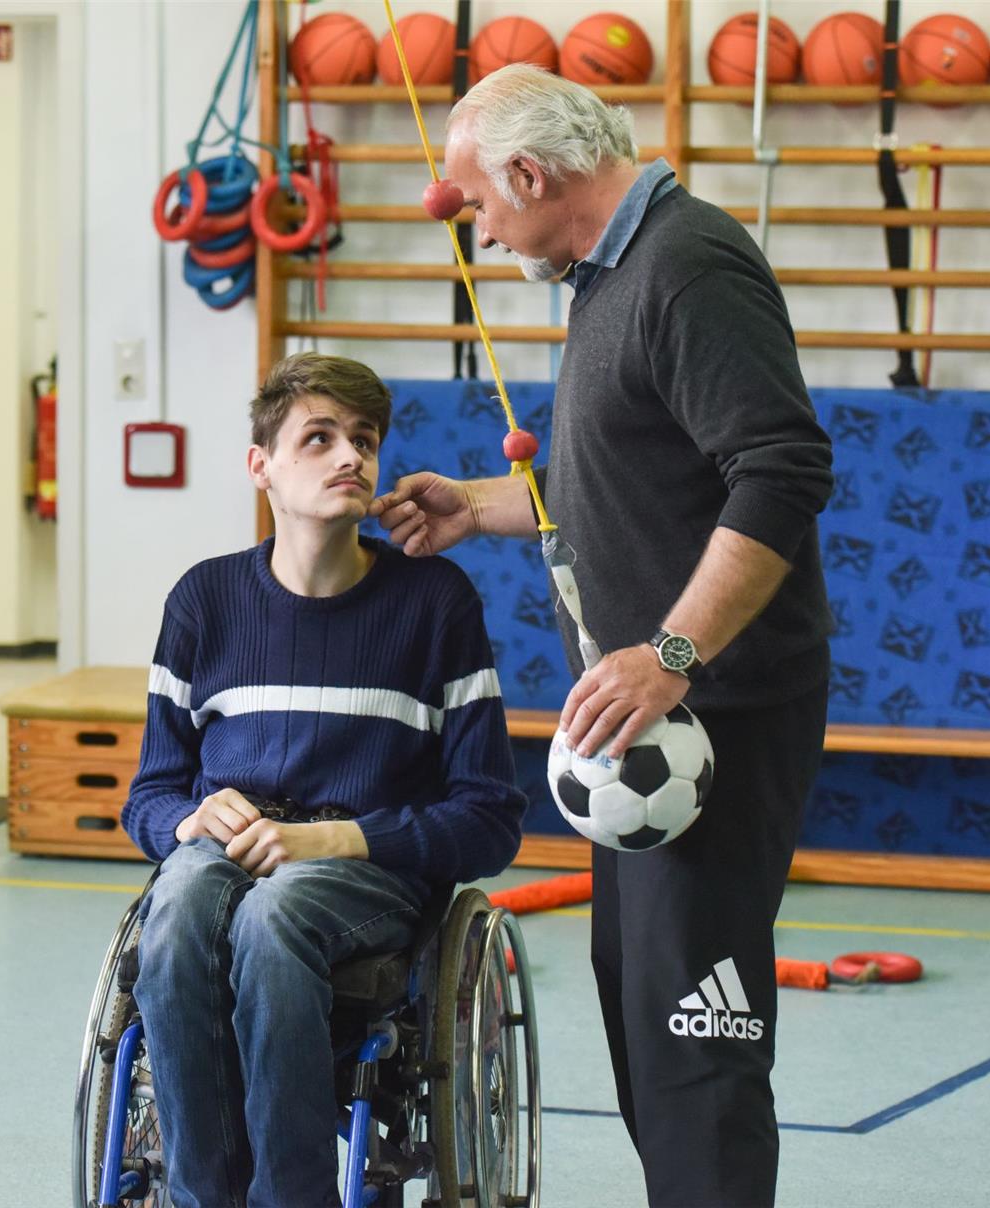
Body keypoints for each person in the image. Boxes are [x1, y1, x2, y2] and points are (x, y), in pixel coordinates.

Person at [372, 64, 834, 1207]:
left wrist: (672, 653)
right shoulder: (608, 274)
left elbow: (778, 472)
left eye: (477, 200)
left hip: (706, 713)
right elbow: (635, 468)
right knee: (643, 1003)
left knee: (696, 1032)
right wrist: (479, 505)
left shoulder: (686, 261)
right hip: (642, 723)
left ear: (531, 174)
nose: (475, 225)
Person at [122, 351, 527, 1206]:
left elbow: (489, 819)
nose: (351, 456)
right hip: (226, 853)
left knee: (276, 916)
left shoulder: (435, 603)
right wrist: (188, 820)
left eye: (364, 439)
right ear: (261, 465)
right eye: (320, 437)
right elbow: (148, 798)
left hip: (365, 868)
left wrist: (334, 838)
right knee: (183, 900)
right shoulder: (204, 601)